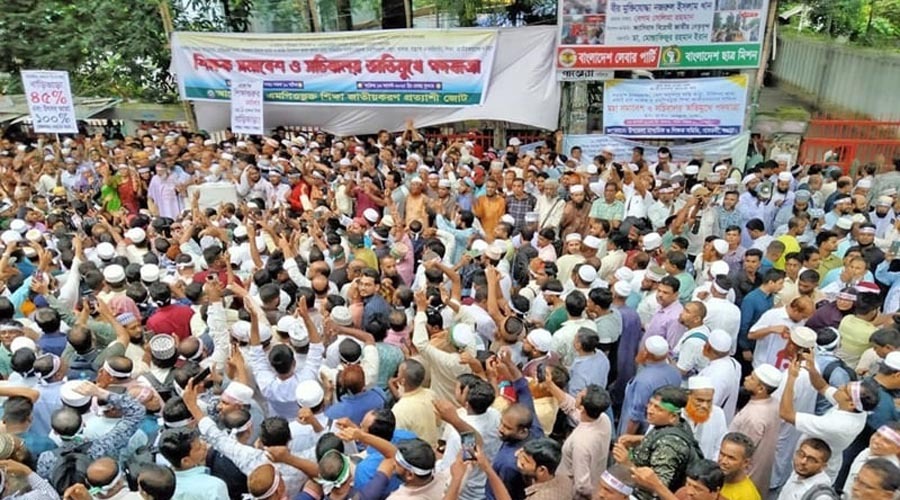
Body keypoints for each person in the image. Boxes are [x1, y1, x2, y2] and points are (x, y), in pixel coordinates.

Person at [613, 386, 702, 500]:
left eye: (658, 408)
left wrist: (628, 464)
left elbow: (657, 488)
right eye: (650, 404)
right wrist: (640, 439)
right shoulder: (677, 424)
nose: (650, 410)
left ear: (673, 416)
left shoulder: (669, 446)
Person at [729, 364, 783, 494]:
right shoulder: (774, 403)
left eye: (752, 378)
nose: (746, 378)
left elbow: (740, 452)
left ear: (760, 389)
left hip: (744, 479)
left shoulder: (754, 417)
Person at [718, 432, 762, 500]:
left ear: (745, 462)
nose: (723, 461)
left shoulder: (748, 496)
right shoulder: (712, 477)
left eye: (731, 458)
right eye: (722, 454)